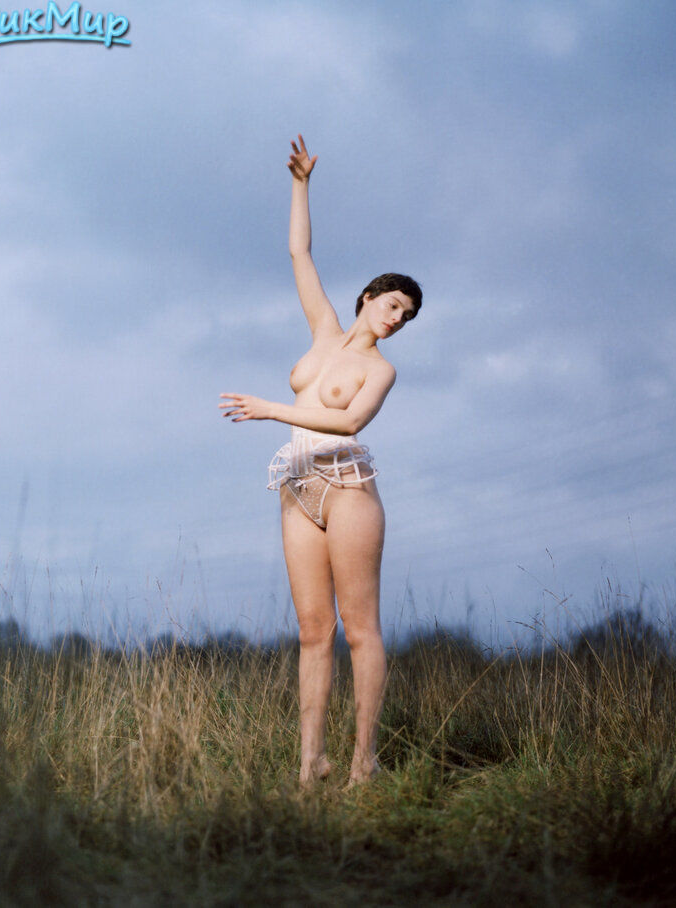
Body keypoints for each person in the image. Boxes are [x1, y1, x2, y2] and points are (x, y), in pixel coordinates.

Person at [219, 135, 422, 788]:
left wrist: (272, 410)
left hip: (347, 487)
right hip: (297, 488)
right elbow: (299, 254)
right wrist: (301, 184)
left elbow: (349, 421)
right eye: (393, 305)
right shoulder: (324, 331)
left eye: (407, 316)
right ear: (369, 297)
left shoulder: (380, 370)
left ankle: (365, 760)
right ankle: (312, 764)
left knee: (360, 630)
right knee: (312, 630)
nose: (397, 319)